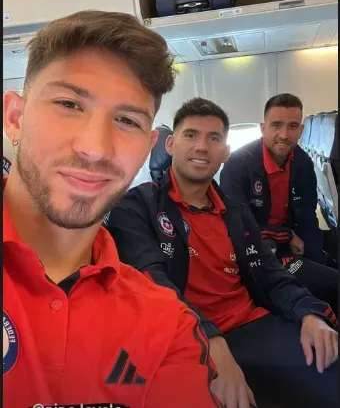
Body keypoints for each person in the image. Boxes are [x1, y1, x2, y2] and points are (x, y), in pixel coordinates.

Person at [3, 12, 225, 408]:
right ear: (15, 118)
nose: (95, 147)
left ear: (149, 144)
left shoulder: (166, 324)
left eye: (126, 120)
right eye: (69, 104)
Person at [106, 97, 338, 408]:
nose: (202, 147)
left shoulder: (235, 211)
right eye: (191, 135)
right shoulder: (137, 208)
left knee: (330, 366)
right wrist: (209, 339)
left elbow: (269, 273)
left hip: (251, 323)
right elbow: (153, 287)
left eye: (214, 138)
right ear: (171, 144)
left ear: (225, 152)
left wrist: (308, 312)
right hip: (187, 338)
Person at [219, 93, 338, 314]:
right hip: (259, 251)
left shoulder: (302, 162)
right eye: (276, 125)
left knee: (331, 260)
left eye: (292, 126)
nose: (284, 134)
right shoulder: (239, 165)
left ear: (301, 131)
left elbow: (307, 217)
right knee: (334, 284)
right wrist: (288, 236)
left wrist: (315, 257)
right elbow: (238, 227)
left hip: (287, 240)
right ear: (263, 128)